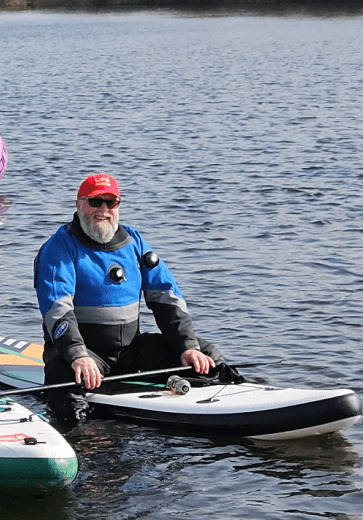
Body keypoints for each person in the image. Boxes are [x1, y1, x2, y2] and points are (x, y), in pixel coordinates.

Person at [34, 173, 241, 422]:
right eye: (95, 202)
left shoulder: (135, 242)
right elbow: (57, 309)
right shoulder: (59, 248)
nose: (103, 210)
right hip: (85, 353)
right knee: (67, 390)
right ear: (79, 205)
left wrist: (187, 346)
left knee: (206, 356)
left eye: (111, 202)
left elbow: (166, 298)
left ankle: (236, 400)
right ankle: (81, 431)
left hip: (131, 352)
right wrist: (78, 355)